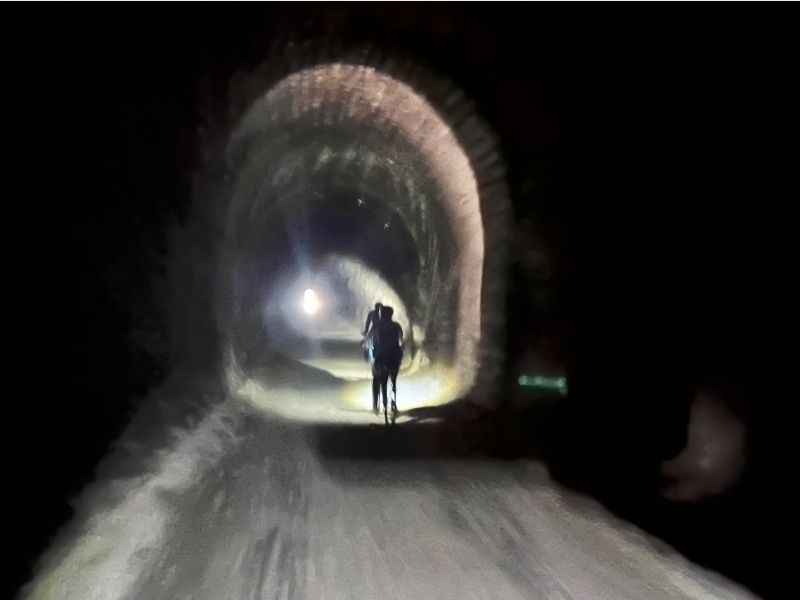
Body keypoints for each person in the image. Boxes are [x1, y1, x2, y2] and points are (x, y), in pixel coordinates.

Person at [366, 305, 403, 416]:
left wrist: (365, 344)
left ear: (381, 315)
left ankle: (375, 406)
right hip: (394, 357)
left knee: (376, 378)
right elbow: (401, 340)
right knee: (393, 380)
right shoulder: (396, 326)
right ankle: (393, 404)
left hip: (381, 357)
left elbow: (368, 339)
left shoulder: (377, 325)